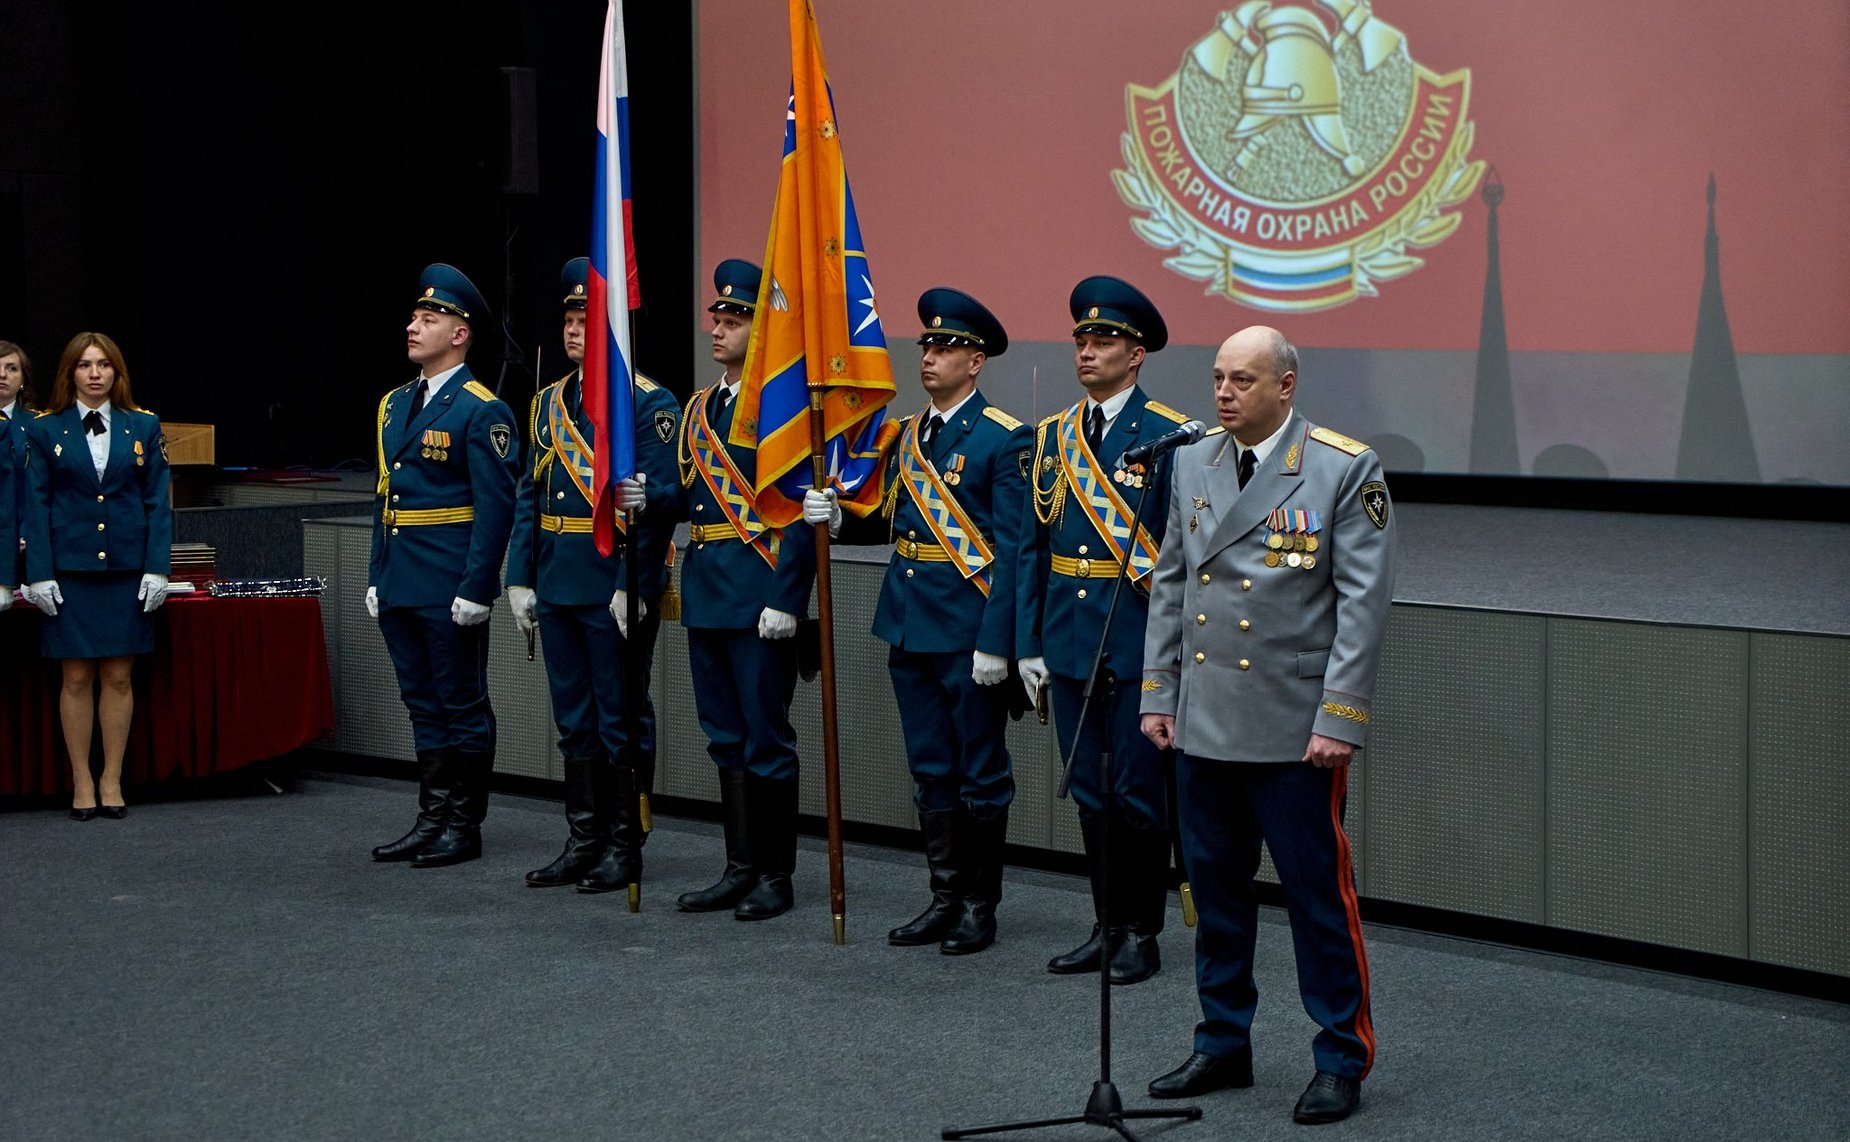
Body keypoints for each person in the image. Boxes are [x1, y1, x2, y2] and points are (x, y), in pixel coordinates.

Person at [1139, 325, 1395, 1126]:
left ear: (1286, 386)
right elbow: (1171, 584)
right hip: (1204, 720)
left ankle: (1341, 1056)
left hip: (1293, 729)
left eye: (1242, 380)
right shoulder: (1192, 461)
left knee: (1318, 900)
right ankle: (1223, 1041)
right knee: (1216, 896)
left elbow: (1363, 606)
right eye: (1218, 377)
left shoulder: (1342, 467)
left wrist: (1340, 716)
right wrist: (1158, 693)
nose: (1223, 392)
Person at [803, 287, 1032, 954]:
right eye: (927, 345)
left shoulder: (1003, 438)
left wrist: (997, 642)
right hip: (908, 623)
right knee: (931, 766)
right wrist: (837, 518)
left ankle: (979, 907)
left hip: (967, 632)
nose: (929, 356)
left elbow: (1015, 550)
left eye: (946, 347)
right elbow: (887, 518)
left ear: (976, 361)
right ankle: (945, 896)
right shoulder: (904, 435)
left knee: (980, 771)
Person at [1017, 275, 1191, 986]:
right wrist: (1028, 643)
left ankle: (1142, 932)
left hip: (1140, 641)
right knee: (1090, 790)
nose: (1087, 351)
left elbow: (1183, 555)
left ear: (1136, 353)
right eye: (1082, 339)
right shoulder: (1053, 436)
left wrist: (1176, 656)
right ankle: (1106, 924)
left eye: (1105, 340)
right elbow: (1032, 548)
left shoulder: (1171, 437)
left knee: (1139, 794)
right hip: (1068, 639)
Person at [505, 257, 680, 897]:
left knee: (619, 718)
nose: (575, 330)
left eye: (587, 319)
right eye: (569, 319)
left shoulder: (646, 402)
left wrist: (636, 585)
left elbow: (662, 501)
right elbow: (530, 495)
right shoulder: (548, 403)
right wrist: (519, 576)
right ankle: (583, 839)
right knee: (573, 720)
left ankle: (623, 844)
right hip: (557, 579)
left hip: (612, 582)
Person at [667, 258, 815, 921]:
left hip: (759, 594)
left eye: (735, 320)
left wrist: (788, 598)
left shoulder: (783, 407)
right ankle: (739, 866)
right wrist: (647, 496)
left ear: (763, 330)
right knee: (724, 737)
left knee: (765, 738)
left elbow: (801, 511)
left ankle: (775, 875)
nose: (719, 329)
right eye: (718, 318)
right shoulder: (701, 408)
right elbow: (690, 497)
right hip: (706, 591)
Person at [367, 263, 520, 868]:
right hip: (402, 578)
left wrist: (479, 587)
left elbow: (496, 509)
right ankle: (431, 818)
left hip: (450, 581)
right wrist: (377, 574)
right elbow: (386, 496)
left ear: (459, 334)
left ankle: (463, 824)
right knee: (421, 702)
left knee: (461, 704)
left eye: (428, 319)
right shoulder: (393, 404)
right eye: (414, 316)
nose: (413, 327)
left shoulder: (481, 410)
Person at [20, 332, 172, 820]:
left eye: (103, 364)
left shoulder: (143, 424)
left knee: (119, 676)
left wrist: (157, 567)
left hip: (126, 568)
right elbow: (35, 504)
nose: (94, 373)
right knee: (76, 675)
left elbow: (158, 502)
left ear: (116, 372)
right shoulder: (45, 428)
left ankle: (112, 778)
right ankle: (82, 780)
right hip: (70, 570)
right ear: (71, 372)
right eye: (85, 365)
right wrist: (39, 573)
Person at [0, 340, 32, 600]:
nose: (2, 375)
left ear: (23, 379)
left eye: (12, 368)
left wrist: (27, 531)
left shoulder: (40, 425)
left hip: (29, 546)